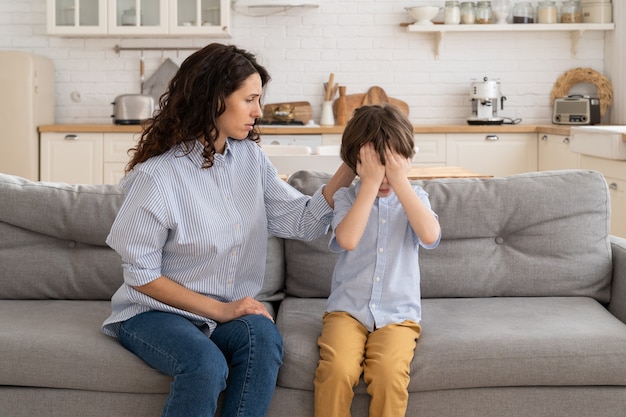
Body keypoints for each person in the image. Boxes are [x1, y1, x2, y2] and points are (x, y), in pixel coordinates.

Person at [101, 42, 355, 417]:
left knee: (263, 340)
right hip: (154, 313)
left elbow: (301, 220)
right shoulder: (156, 177)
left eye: (259, 99)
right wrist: (220, 310)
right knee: (206, 365)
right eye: (250, 99)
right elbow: (141, 276)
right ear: (214, 99)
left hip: (225, 312)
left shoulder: (249, 158)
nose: (258, 111)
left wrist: (350, 163)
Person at [314, 104, 441, 417]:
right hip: (347, 312)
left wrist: (400, 181)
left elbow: (429, 235)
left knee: (388, 375)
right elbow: (348, 239)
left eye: (390, 165)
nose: (383, 175)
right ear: (357, 164)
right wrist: (369, 184)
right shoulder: (347, 198)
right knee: (337, 370)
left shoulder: (416, 198)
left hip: (398, 316)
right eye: (374, 165)